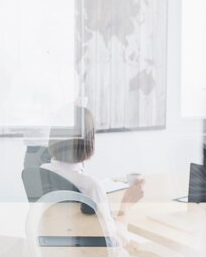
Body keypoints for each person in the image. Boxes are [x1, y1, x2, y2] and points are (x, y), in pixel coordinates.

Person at [40, 106, 144, 247]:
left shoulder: (43, 172)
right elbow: (113, 243)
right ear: (89, 140)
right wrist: (126, 206)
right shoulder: (90, 186)